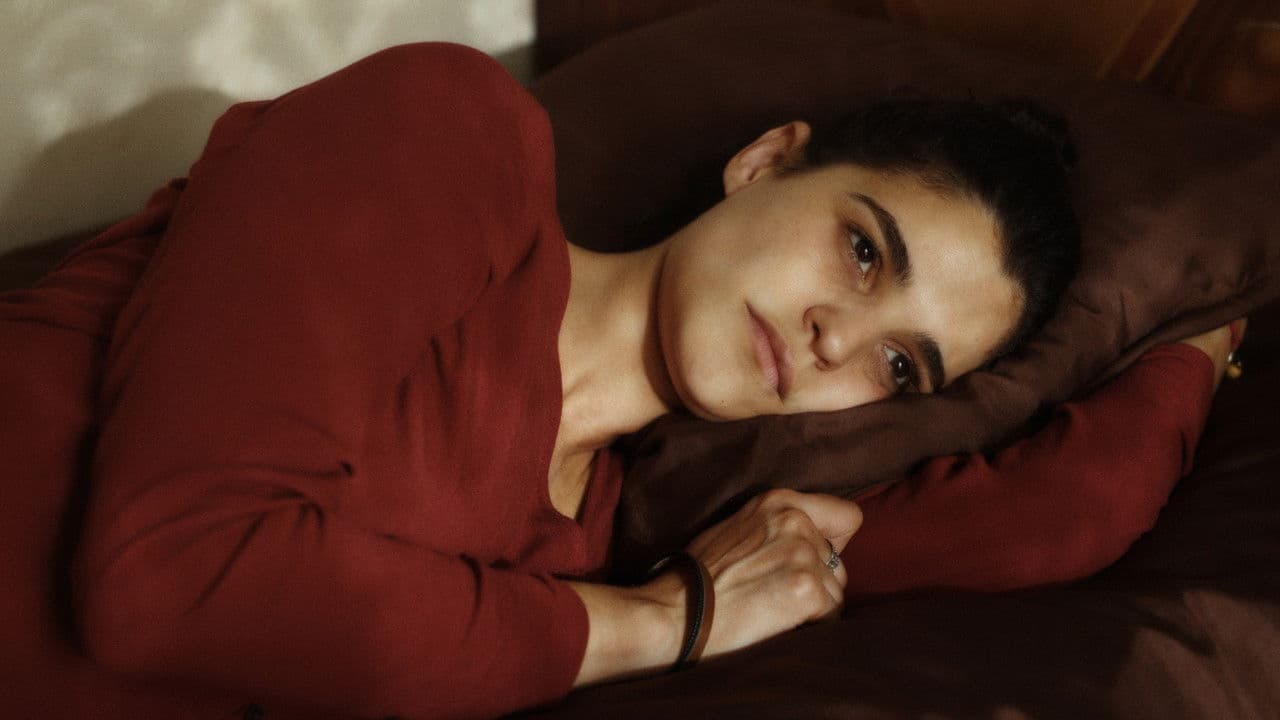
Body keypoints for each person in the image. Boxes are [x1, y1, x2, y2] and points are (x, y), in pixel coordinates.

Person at [0, 43, 1240, 719]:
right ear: (766, 162)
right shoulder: (451, 136)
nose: (835, 342)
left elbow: (1052, 519)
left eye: (899, 364)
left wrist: (1209, 313)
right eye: (863, 252)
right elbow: (173, 573)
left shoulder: (591, 543)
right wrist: (661, 624)